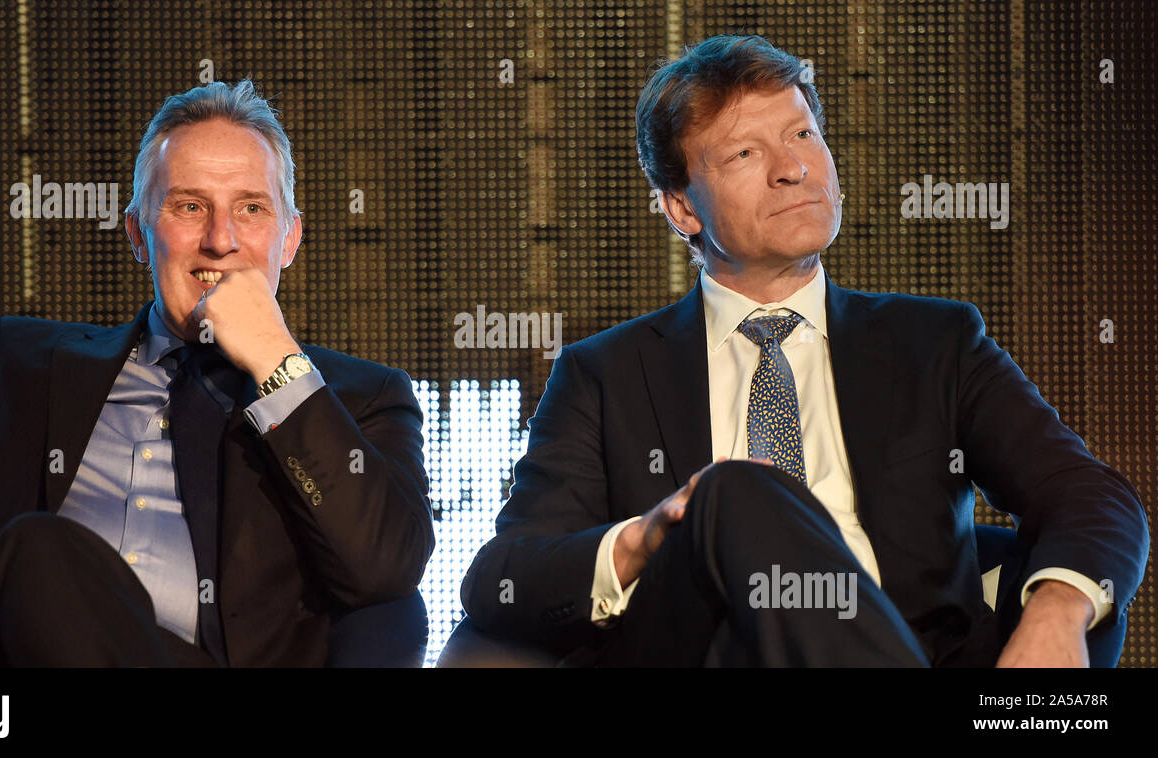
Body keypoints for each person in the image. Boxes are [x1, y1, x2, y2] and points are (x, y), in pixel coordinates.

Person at [459, 35, 1148, 666]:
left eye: (802, 134)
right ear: (682, 210)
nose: (792, 168)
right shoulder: (603, 374)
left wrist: (1058, 610)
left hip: (912, 649)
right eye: (745, 154)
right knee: (734, 492)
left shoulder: (934, 343)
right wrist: (644, 540)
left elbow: (1089, 495)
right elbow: (505, 576)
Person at [0, 79, 434, 667]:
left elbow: (385, 571)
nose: (220, 240)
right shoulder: (14, 358)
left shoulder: (365, 397)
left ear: (290, 239)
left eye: (252, 208)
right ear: (137, 233)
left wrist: (277, 362)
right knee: (37, 553)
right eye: (189, 206)